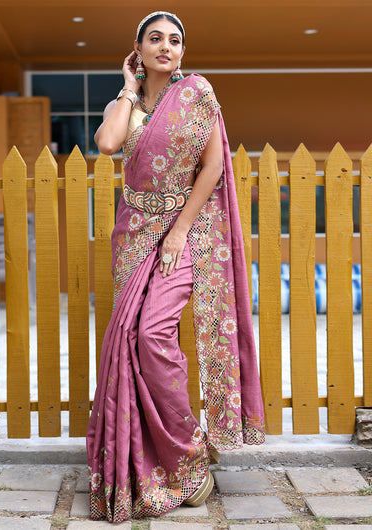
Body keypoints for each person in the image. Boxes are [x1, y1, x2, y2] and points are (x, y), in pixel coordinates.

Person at [86, 11, 265, 523]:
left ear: (183, 52)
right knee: (131, 345)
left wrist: (181, 229)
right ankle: (163, 463)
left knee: (153, 337)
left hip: (182, 234)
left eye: (175, 41)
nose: (166, 47)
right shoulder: (128, 105)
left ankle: (189, 454)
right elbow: (106, 144)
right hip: (133, 238)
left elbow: (211, 167)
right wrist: (126, 86)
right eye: (155, 40)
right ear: (138, 50)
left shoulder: (198, 97)